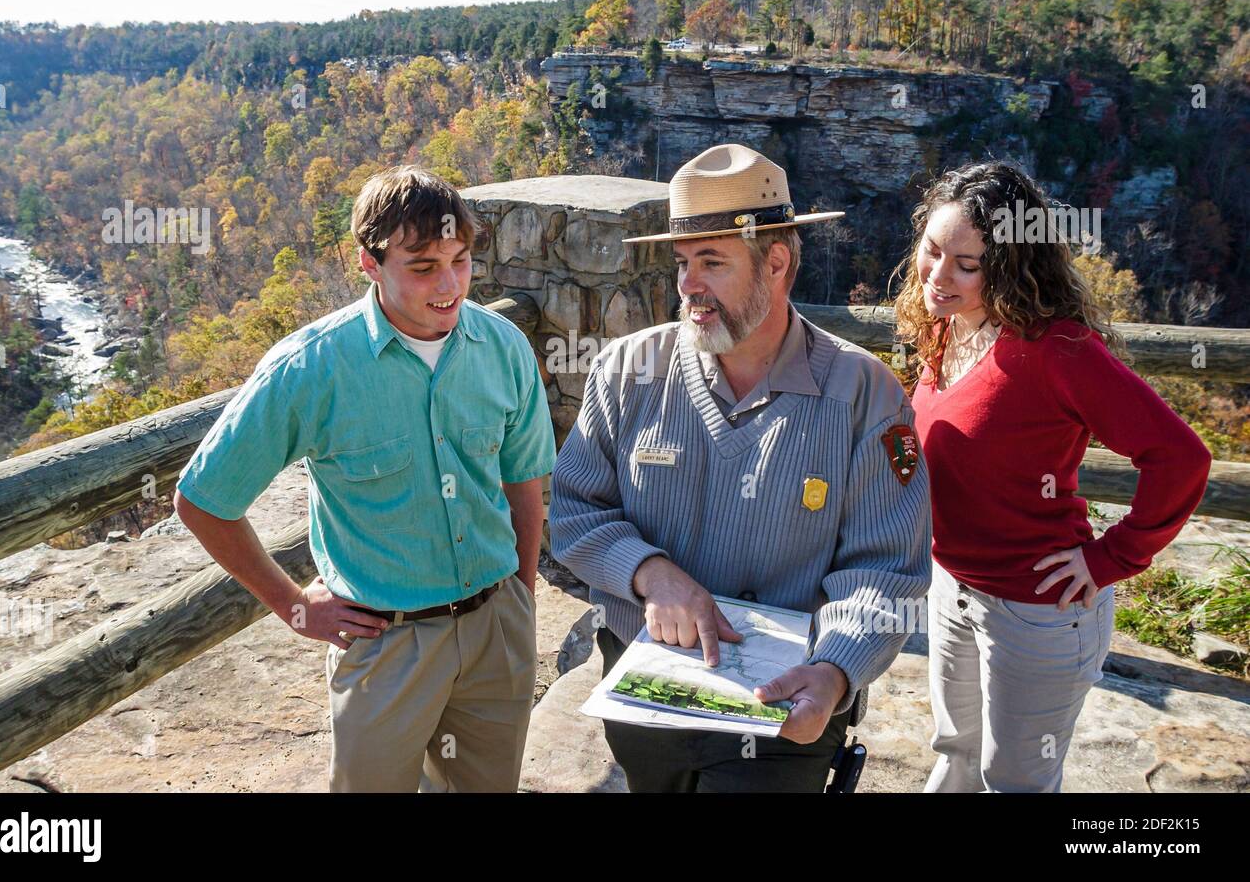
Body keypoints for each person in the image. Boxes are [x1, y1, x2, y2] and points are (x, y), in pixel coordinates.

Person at [549, 143, 932, 792]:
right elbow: (575, 513)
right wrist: (650, 574)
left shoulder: (866, 394)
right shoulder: (627, 371)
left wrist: (837, 671)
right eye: (682, 262)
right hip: (645, 704)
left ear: (775, 262)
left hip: (785, 708)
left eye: (712, 262)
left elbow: (887, 569)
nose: (687, 284)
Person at [173, 165, 556, 792]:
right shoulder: (311, 368)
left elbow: (524, 479)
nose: (451, 285)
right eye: (424, 265)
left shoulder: (504, 348)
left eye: (461, 260)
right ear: (369, 265)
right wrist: (293, 606)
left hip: (495, 628)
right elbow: (203, 501)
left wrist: (520, 596)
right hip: (387, 646)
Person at [893, 161, 1213, 792]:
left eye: (968, 263)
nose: (940, 275)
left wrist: (1111, 558)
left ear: (1011, 264)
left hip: (1036, 610)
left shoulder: (1057, 350)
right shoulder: (944, 331)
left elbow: (1182, 458)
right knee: (956, 752)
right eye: (933, 252)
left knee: (1014, 778)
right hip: (951, 588)